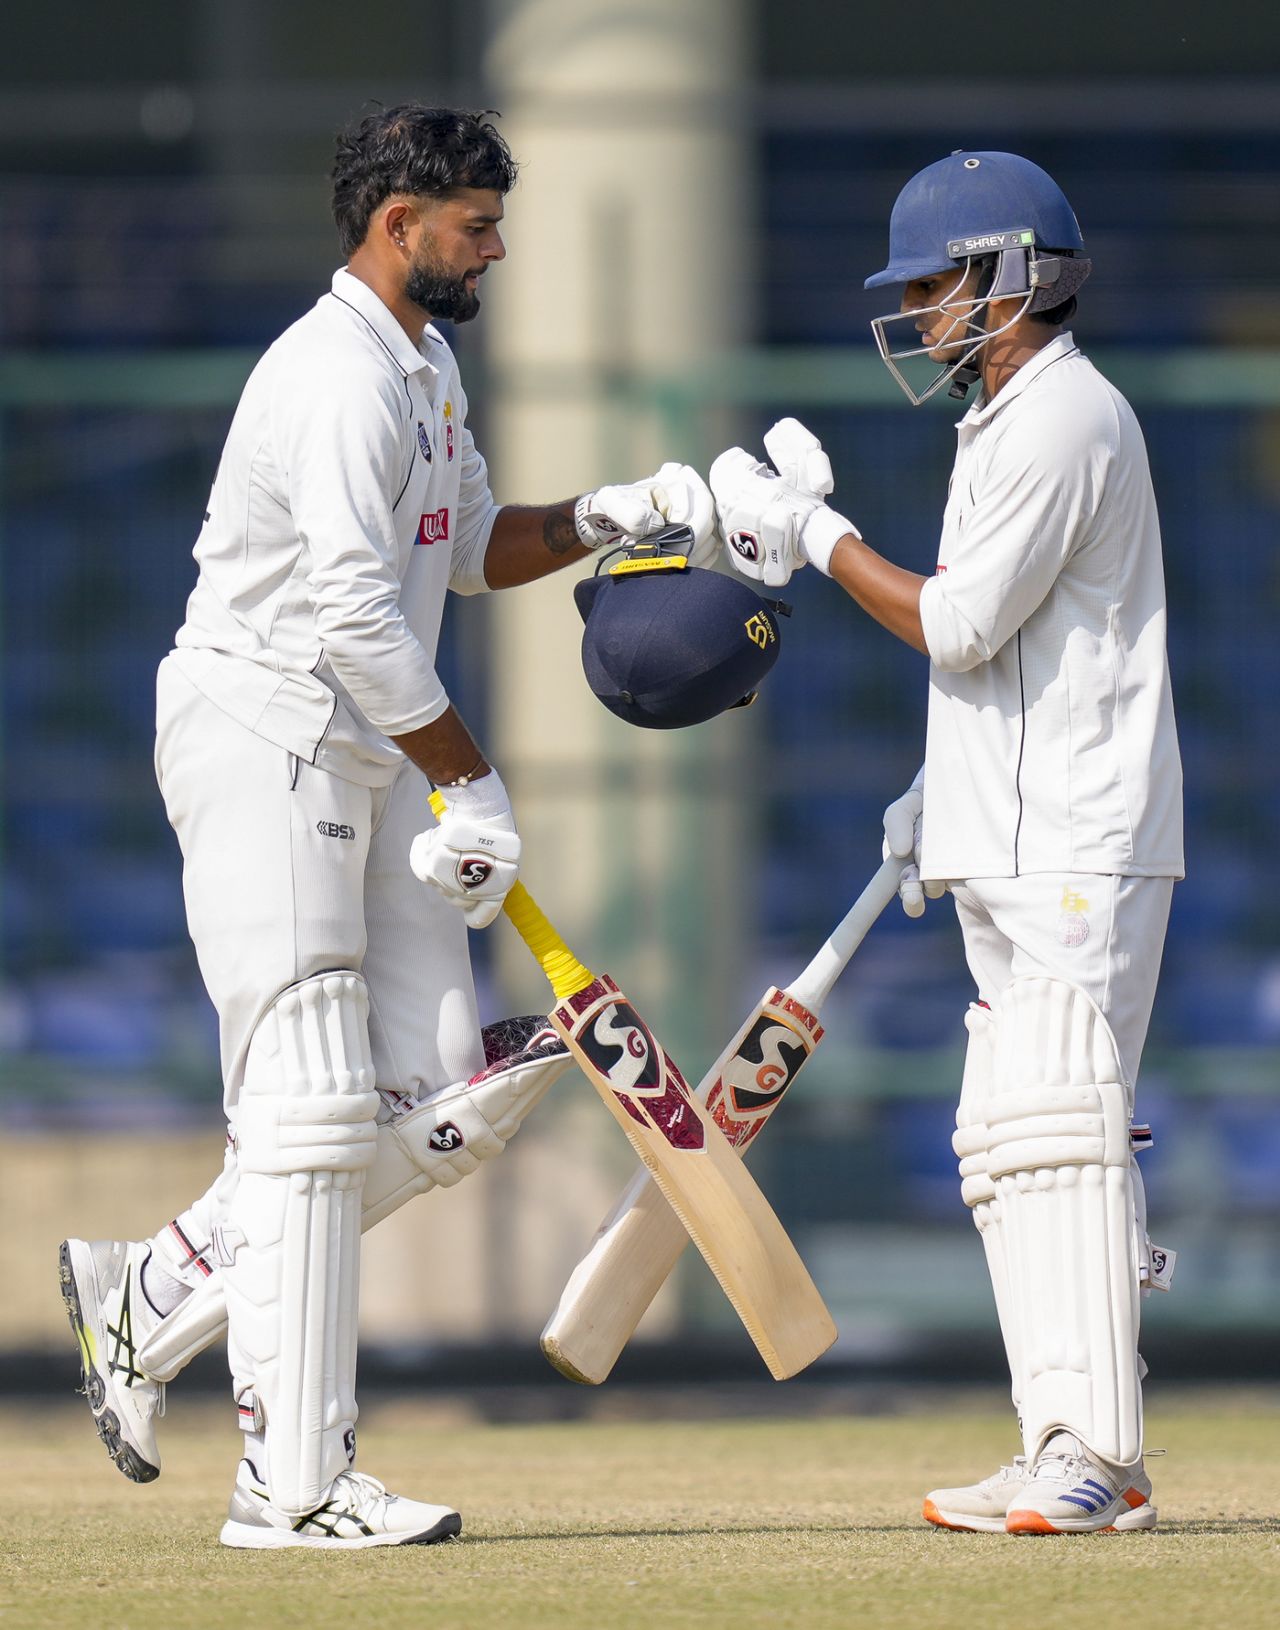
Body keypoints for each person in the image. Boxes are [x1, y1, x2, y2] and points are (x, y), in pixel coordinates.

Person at [58, 103, 716, 1551]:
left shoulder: (427, 366)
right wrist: (469, 777)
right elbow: (357, 613)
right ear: (395, 221)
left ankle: (152, 1291)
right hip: (266, 736)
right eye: (474, 223)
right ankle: (290, 1484)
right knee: (301, 1108)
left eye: (496, 221)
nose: (494, 246)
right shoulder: (331, 378)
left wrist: (617, 510)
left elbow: (470, 550)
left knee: (441, 1101)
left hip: (360, 749)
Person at [710, 150, 1183, 1535]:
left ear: (1016, 274)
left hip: (1077, 838)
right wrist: (945, 787)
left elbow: (963, 623)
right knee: (1011, 1142)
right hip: (1019, 827)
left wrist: (813, 533)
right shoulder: (1005, 417)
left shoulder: (1062, 419)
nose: (919, 310)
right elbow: (1008, 662)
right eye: (913, 286)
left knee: (1060, 1127)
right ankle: (1060, 1444)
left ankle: (1101, 1451)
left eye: (936, 281)